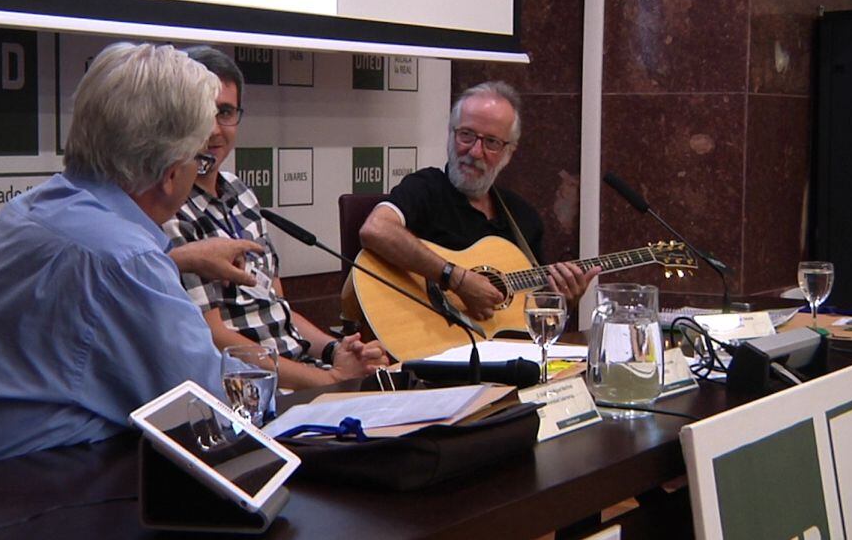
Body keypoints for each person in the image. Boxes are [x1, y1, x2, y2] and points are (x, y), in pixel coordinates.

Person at [0, 43, 261, 477]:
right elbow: (215, 418)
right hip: (24, 497)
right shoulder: (124, 260)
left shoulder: (30, 209)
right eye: (199, 160)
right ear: (171, 174)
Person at [162, 46, 387, 389]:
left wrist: (334, 350)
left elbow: (277, 305)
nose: (214, 130)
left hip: (298, 368)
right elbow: (217, 338)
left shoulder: (241, 194)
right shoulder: (168, 203)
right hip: (252, 387)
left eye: (225, 112)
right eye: (202, 112)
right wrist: (327, 379)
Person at [359, 81, 600, 322]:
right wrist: (455, 278)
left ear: (509, 152)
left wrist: (561, 301)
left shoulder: (523, 217)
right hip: (432, 344)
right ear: (451, 133)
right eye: (466, 135)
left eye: (491, 143)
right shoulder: (426, 188)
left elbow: (533, 320)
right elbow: (376, 229)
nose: (475, 152)